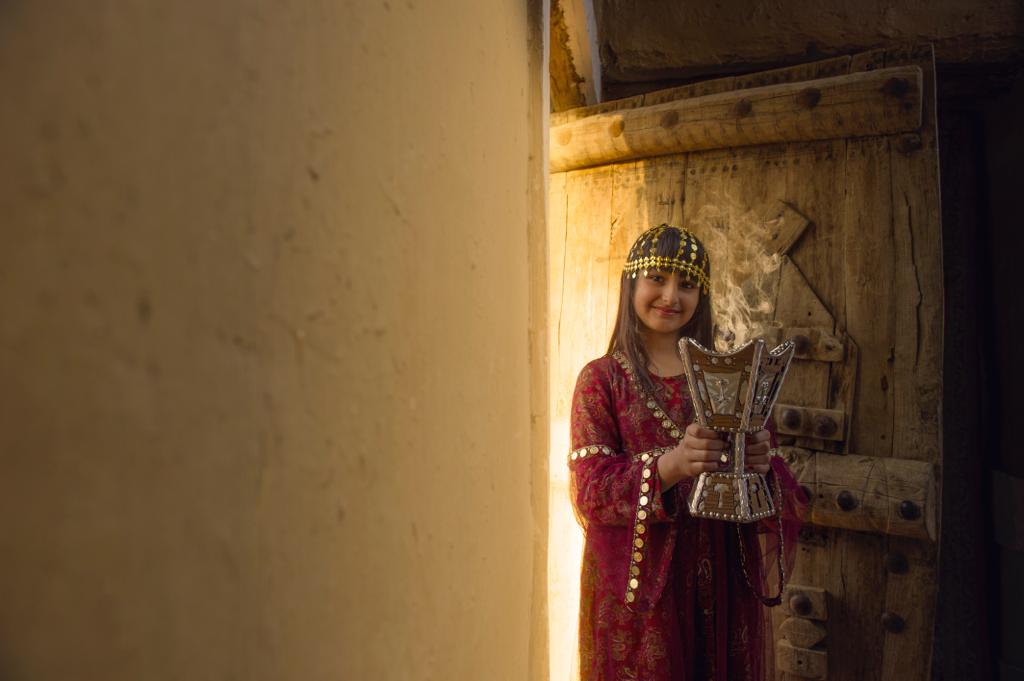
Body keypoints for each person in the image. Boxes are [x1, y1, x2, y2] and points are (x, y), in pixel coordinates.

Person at [568, 224, 806, 681]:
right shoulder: (601, 380)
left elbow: (771, 500)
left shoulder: (732, 375)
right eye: (657, 278)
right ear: (631, 283)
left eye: (687, 284)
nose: (670, 296)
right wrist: (670, 466)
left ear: (703, 295)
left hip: (720, 587)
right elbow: (591, 491)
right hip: (639, 600)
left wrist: (760, 467)